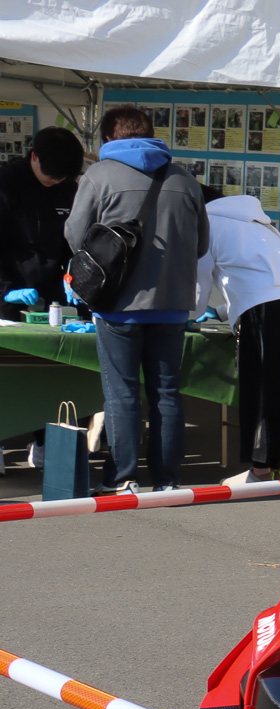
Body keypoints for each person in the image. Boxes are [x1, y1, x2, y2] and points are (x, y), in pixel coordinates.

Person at [64, 105, 208, 494]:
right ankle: (167, 479)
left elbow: (75, 236)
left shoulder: (98, 176)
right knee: (166, 391)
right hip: (174, 303)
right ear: (150, 133)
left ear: (109, 138)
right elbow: (202, 245)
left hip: (118, 304)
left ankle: (123, 477)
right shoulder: (185, 180)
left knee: (122, 391)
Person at [195, 192, 280, 483]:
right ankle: (271, 466)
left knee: (261, 387)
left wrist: (187, 313)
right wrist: (221, 311)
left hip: (265, 309)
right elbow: (265, 276)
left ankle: (260, 472)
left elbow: (198, 283)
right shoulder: (259, 222)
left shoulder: (207, 223)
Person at [0, 126, 84, 319]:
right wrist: (5, 290)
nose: (55, 182)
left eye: (61, 179)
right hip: (10, 293)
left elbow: (73, 240)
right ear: (35, 157)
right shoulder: (6, 184)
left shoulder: (68, 189)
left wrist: (74, 277)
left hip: (53, 295)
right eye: (50, 178)